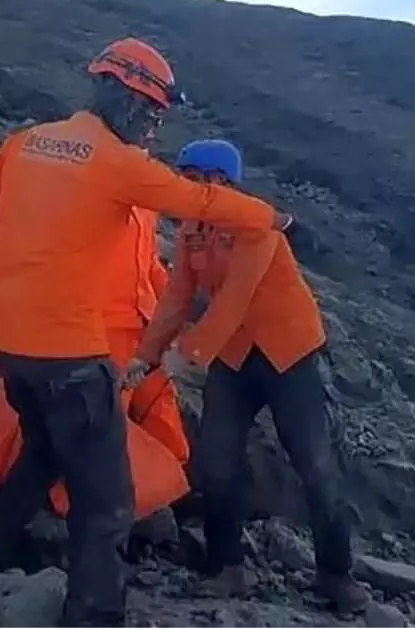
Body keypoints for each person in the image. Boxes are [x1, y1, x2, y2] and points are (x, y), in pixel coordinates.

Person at [0, 37, 293, 628]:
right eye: (154, 113)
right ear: (128, 99)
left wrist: (3, 278)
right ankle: (95, 613)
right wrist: (269, 218)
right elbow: (200, 200)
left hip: (13, 344)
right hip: (72, 357)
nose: (155, 127)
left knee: (42, 453)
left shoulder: (24, 143)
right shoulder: (116, 163)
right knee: (105, 499)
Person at [125, 139, 371, 614]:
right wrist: (147, 355)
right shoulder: (191, 232)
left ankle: (336, 575)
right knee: (217, 460)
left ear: (219, 181)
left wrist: (189, 353)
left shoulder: (256, 224)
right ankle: (227, 567)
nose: (184, 187)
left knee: (315, 463)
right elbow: (176, 300)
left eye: (192, 178)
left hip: (289, 352)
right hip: (234, 358)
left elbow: (236, 299)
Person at [102, 206, 190, 467]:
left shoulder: (144, 209)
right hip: (108, 330)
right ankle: (88, 499)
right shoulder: (89, 204)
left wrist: (173, 315)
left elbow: (149, 263)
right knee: (107, 414)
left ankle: (173, 476)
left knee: (159, 401)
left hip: (147, 328)